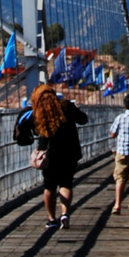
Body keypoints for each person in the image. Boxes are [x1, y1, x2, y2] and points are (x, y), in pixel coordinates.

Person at [31, 83, 89, 231]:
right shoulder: (66, 106)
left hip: (49, 154)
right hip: (69, 152)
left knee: (49, 186)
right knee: (66, 184)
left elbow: (35, 132)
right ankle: (65, 214)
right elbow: (83, 120)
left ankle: (51, 219)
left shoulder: (39, 111)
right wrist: (77, 111)